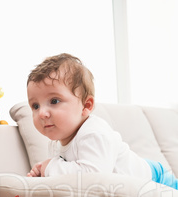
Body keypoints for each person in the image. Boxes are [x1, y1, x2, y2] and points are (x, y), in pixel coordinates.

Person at [26, 53, 178, 189]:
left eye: (54, 101)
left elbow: (94, 178)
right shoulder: (56, 144)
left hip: (157, 180)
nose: (42, 113)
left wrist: (50, 167)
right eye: (35, 106)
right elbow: (69, 181)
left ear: (86, 106)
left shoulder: (94, 133)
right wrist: (42, 175)